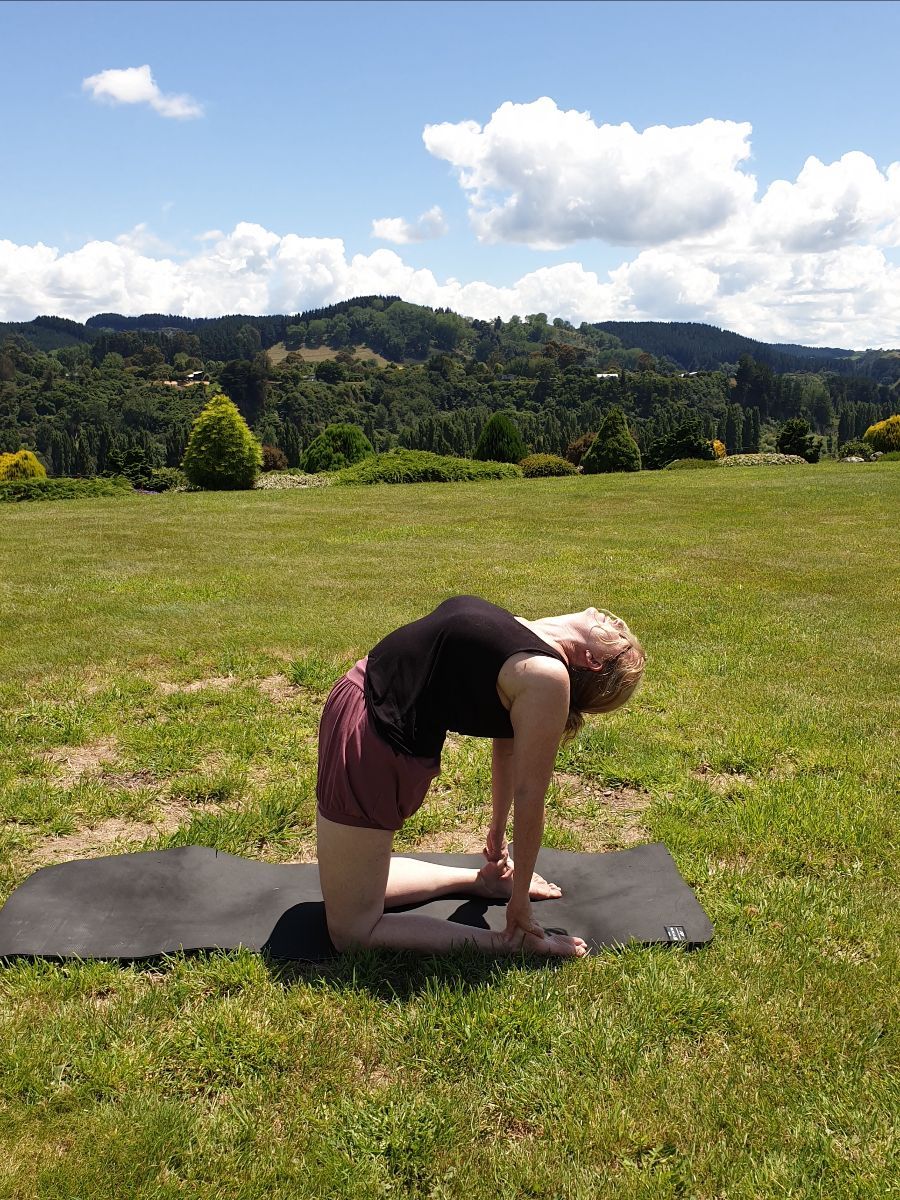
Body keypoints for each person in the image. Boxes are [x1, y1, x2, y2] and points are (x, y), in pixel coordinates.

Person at [316, 595, 645, 959]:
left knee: (352, 932)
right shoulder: (527, 634)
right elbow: (505, 747)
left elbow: (530, 794)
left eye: (620, 635)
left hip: (376, 741)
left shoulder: (547, 679)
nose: (614, 620)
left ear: (594, 661)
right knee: (343, 892)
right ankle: (481, 881)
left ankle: (510, 943)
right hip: (362, 703)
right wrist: (497, 839)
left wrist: (520, 903)